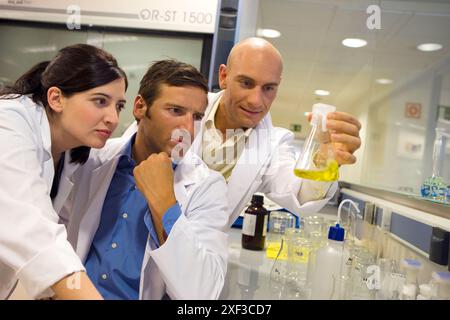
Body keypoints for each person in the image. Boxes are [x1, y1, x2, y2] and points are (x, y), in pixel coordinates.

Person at [59, 60, 229, 300]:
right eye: (176, 111)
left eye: (198, 117)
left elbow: (201, 293)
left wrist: (165, 204)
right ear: (140, 107)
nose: (188, 129)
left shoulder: (207, 186)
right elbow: (56, 231)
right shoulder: (93, 158)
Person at [0, 43, 128, 300]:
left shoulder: (72, 151)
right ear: (56, 98)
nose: (113, 118)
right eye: (100, 101)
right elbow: (36, 234)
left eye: (118, 106)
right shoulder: (9, 123)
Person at [194, 37, 362, 226]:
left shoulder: (274, 144)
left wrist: (325, 160)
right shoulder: (185, 110)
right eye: (246, 83)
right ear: (224, 76)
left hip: (205, 250)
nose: (256, 100)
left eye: (268, 88)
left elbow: (299, 196)